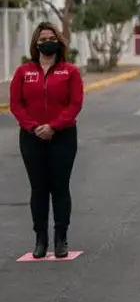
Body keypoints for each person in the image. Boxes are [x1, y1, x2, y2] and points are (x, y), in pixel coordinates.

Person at [8, 21, 84, 258]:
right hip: (31, 137)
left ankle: (61, 238)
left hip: (63, 137)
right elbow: (16, 104)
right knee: (38, 188)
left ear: (59, 42)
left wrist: (53, 126)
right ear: (36, 43)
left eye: (51, 38)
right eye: (42, 39)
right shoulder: (23, 72)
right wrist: (33, 127)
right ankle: (40, 239)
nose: (47, 42)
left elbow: (75, 104)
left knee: (60, 187)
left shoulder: (70, 72)